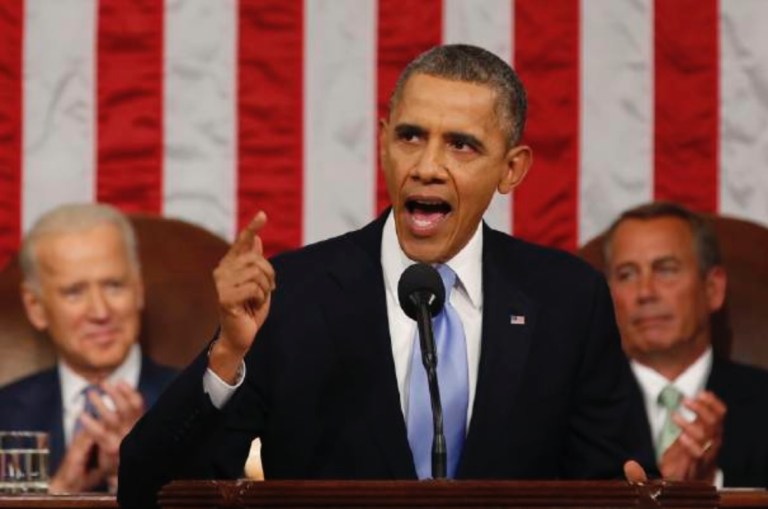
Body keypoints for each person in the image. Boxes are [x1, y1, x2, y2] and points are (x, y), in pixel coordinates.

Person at [118, 44, 648, 508]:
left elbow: (613, 483)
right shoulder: (293, 296)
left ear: (512, 169)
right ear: (382, 142)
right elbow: (148, 492)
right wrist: (227, 356)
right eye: (410, 137)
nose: (427, 166)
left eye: (461, 145)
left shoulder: (568, 301)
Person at [0, 203, 177, 493]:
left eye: (114, 286)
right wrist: (56, 495)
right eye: (74, 292)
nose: (100, 311)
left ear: (139, 289)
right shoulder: (4, 413)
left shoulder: (199, 404)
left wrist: (143, 480)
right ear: (36, 307)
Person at [604, 201, 768, 487]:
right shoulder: (576, 411)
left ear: (712, 288)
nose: (645, 293)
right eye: (627, 274)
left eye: (666, 270)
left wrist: (708, 486)